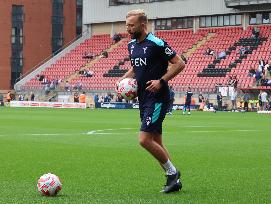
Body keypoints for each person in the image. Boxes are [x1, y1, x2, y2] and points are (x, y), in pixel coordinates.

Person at [116, 9, 185, 193]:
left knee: (144, 140)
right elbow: (135, 66)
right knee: (156, 142)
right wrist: (122, 80)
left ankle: (173, 174)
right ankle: (173, 181)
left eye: (131, 25)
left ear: (142, 25)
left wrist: (161, 81)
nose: (128, 28)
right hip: (144, 98)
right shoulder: (131, 44)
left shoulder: (157, 43)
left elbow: (179, 63)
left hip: (158, 98)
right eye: (127, 25)